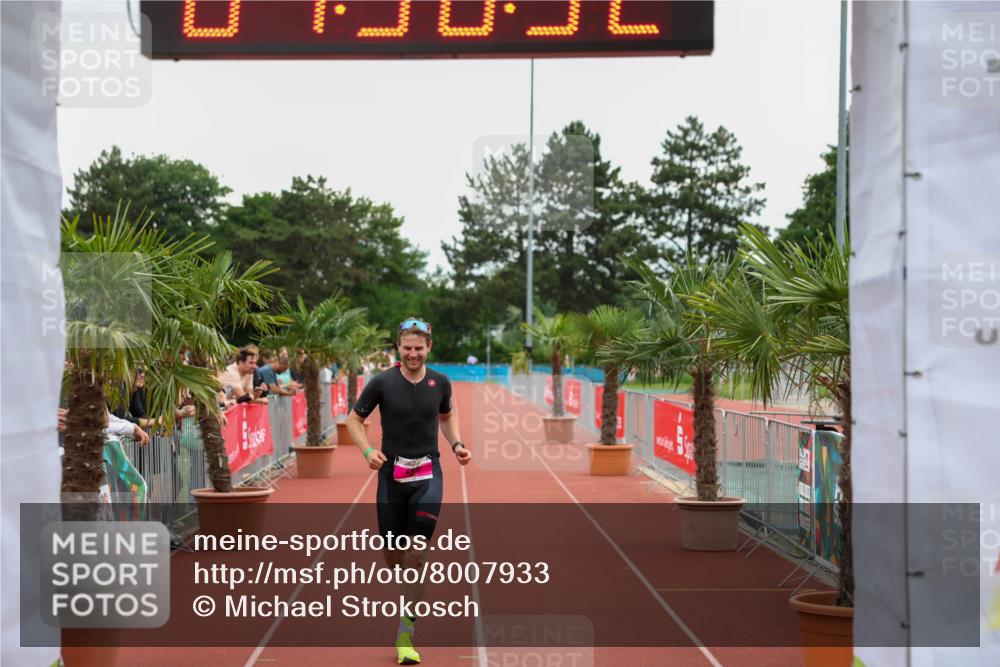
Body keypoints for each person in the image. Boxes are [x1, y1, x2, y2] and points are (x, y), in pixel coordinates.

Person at [347, 317, 471, 665]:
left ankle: (405, 633)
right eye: (407, 348)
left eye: (419, 348)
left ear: (429, 347)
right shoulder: (382, 382)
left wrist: (457, 444)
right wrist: (368, 451)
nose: (413, 353)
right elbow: (354, 420)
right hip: (391, 476)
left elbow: (446, 416)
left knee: (417, 552)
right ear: (398, 348)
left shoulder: (440, 382)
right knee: (394, 557)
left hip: (428, 473)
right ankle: (409, 580)